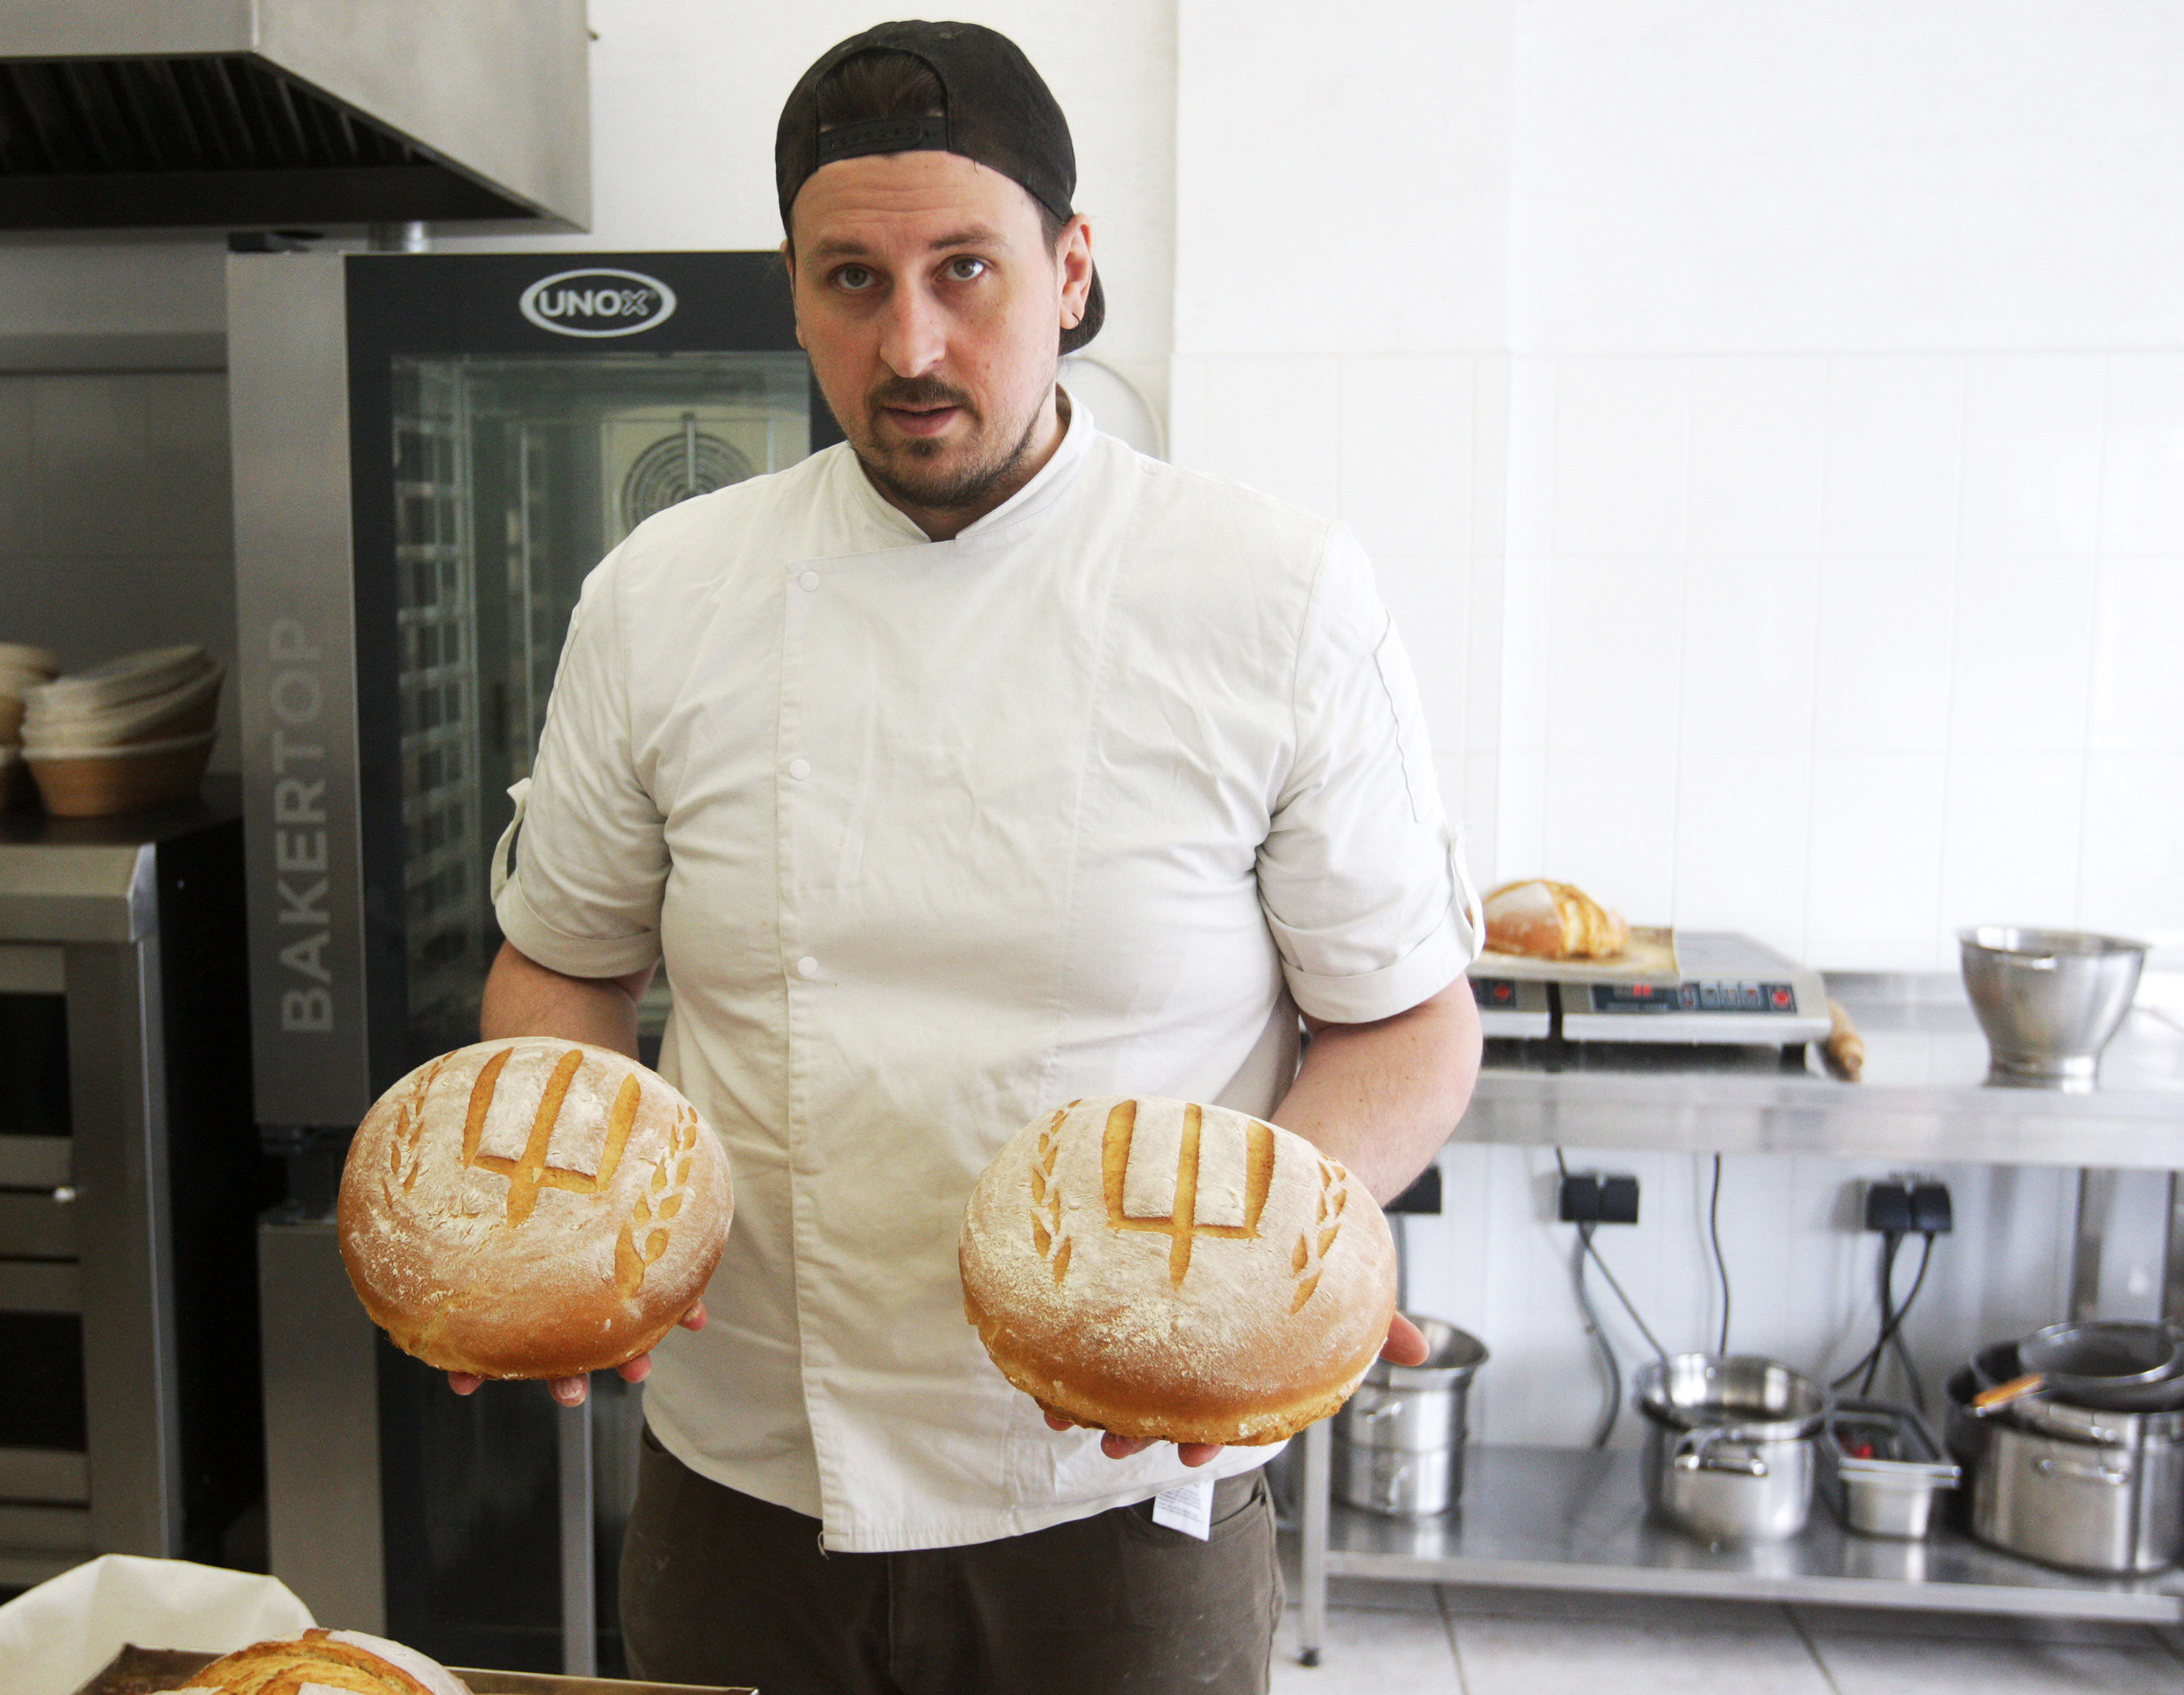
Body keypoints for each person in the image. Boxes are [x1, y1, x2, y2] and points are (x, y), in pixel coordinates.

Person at [462, 20, 1484, 1694]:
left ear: (1071, 270)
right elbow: (564, 961)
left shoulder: (1270, 595)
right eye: (851, 281)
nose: (910, 341)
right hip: (745, 1470)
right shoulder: (665, 595)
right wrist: (566, 1250)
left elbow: (1410, 1024)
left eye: (966, 272)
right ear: (792, 293)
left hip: (1126, 1482)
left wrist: (1286, 1252)